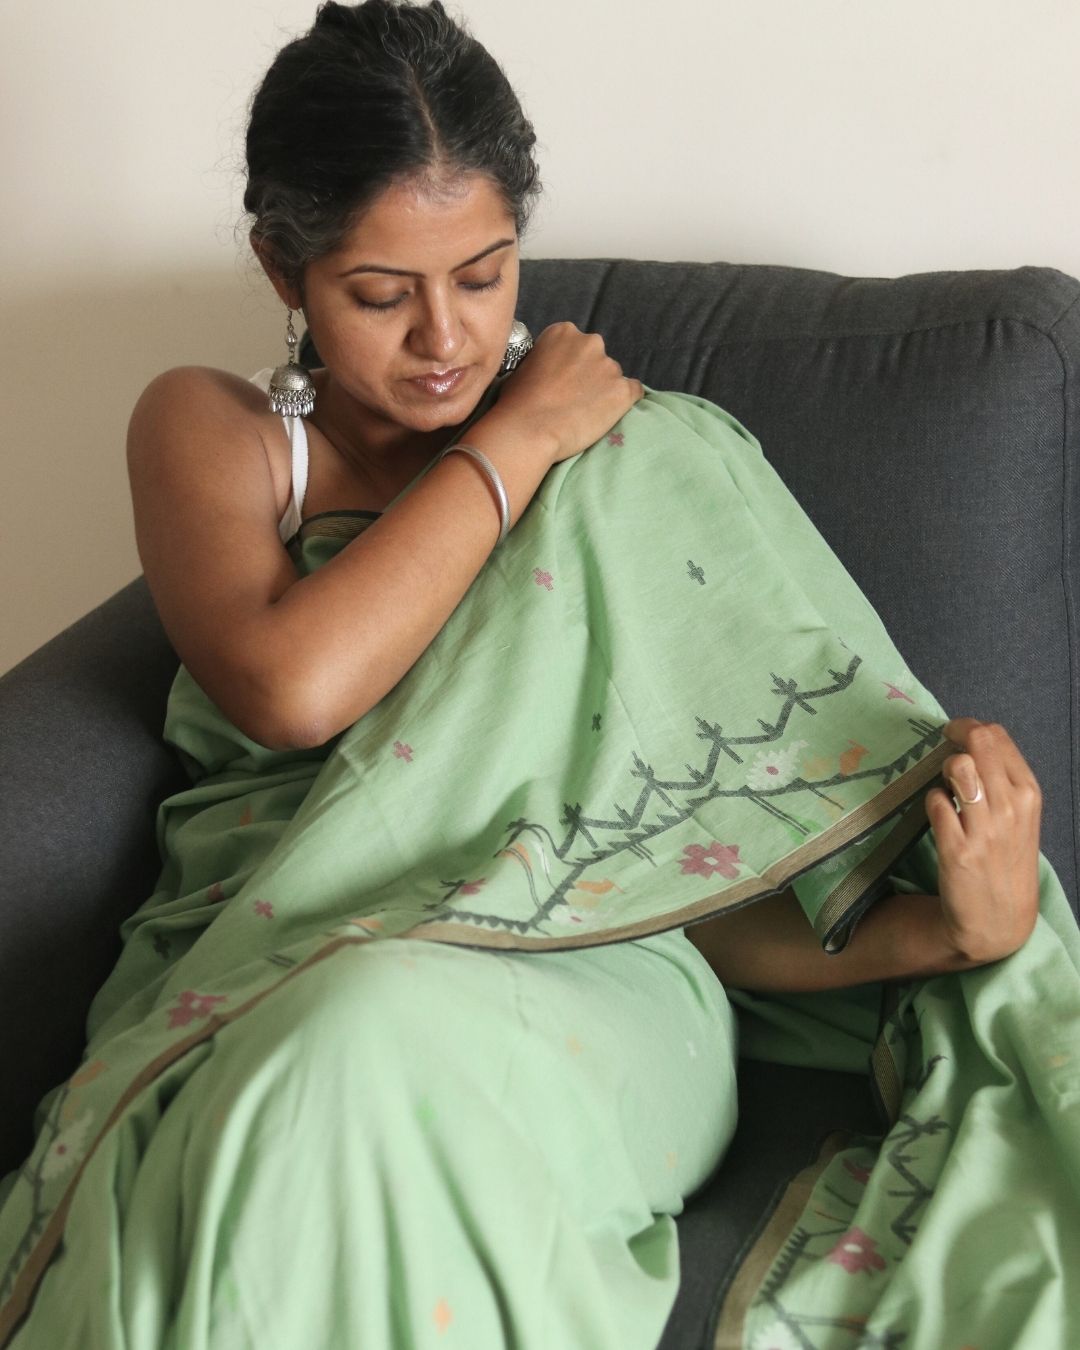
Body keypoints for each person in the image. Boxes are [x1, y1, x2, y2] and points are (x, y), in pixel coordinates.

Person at [0, 3, 1056, 1347]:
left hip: (592, 990)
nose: (443, 335)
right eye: (382, 295)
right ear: (284, 267)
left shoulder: (638, 471)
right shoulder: (218, 432)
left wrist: (955, 932)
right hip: (263, 943)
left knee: (356, 1041)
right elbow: (292, 688)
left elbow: (681, 885)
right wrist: (519, 437)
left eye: (486, 275)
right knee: (310, 1054)